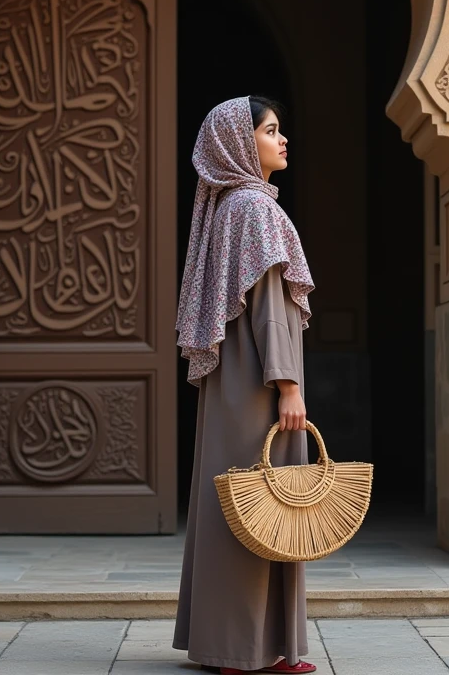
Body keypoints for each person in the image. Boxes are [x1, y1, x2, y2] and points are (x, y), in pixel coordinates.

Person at [172, 96, 317, 674]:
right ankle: (245, 652)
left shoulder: (226, 210)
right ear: (239, 142)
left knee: (240, 509)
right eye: (271, 131)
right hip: (260, 387)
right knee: (267, 510)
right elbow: (270, 310)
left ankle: (244, 646)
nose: (283, 141)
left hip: (231, 387)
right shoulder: (254, 210)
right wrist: (288, 386)